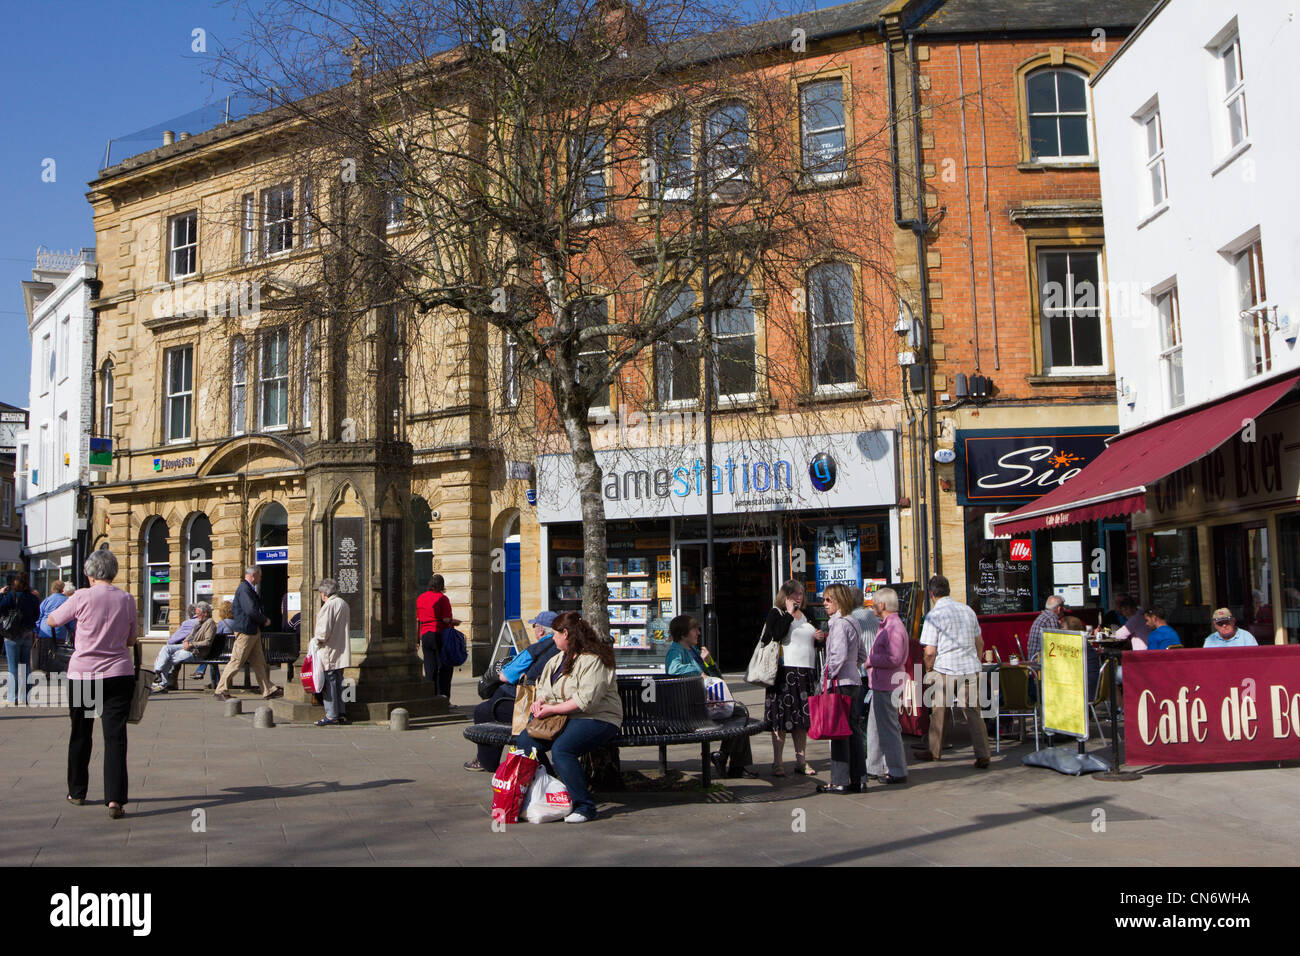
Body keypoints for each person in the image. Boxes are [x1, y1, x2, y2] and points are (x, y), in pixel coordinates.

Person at [45, 549, 137, 818]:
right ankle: (115, 800)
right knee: (115, 737)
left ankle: (77, 791)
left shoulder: (82, 596)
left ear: (90, 573)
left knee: (81, 733)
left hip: (85, 675)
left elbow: (54, 620)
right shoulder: (127, 599)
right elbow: (131, 640)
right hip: (119, 674)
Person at [513, 612, 622, 823]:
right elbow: (544, 687)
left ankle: (585, 806)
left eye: (555, 634)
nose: (552, 638)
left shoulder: (594, 660)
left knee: (563, 749)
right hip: (563, 717)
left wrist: (552, 710)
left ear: (566, 634)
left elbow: (585, 701)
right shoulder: (556, 660)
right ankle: (556, 790)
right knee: (526, 741)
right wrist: (540, 701)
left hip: (598, 718)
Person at [465, 611, 562, 772]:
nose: (534, 630)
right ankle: (486, 759)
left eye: (534, 626)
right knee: (490, 708)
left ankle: (486, 761)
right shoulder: (559, 649)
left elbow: (507, 676)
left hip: (533, 704)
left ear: (541, 631)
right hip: (548, 702)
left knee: (484, 711)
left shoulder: (540, 647)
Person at [666, 615, 757, 779]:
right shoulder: (676, 651)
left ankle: (727, 759)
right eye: (694, 629)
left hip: (704, 703)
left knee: (739, 715)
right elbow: (673, 669)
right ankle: (730, 762)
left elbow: (717, 679)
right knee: (739, 715)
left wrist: (708, 662)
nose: (698, 633)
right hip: (692, 709)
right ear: (683, 634)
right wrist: (698, 673)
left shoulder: (693, 650)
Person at [916, 574, 991, 768]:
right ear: (948, 590)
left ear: (932, 594)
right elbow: (979, 642)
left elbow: (930, 651)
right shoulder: (967, 611)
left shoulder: (934, 616)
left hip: (945, 669)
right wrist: (978, 662)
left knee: (939, 712)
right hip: (970, 667)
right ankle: (983, 754)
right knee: (973, 712)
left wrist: (928, 670)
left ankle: (935, 751)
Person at [763, 581, 819, 777]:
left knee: (802, 720)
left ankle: (801, 760)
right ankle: (777, 762)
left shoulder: (808, 615)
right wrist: (788, 613)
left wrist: (820, 638)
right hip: (784, 673)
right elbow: (775, 634)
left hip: (806, 672)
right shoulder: (776, 614)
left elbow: (812, 641)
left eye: (801, 594)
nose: (799, 598)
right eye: (795, 594)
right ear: (785, 596)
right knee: (782, 719)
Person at [816, 583, 867, 794]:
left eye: (829, 600)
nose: (824, 604)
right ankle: (859, 779)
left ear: (839, 601)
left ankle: (839, 780)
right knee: (854, 731)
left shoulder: (838, 624)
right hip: (854, 682)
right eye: (824, 599)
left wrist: (825, 679)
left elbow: (836, 656)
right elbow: (862, 655)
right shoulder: (853, 622)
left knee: (838, 733)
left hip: (840, 684)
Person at [214, 567, 283, 701]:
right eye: (260, 576)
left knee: (259, 663)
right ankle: (220, 689)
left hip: (252, 630)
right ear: (253, 575)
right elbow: (250, 609)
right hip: (245, 631)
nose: (260, 579)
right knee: (237, 661)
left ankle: (268, 690)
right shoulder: (244, 589)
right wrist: (264, 620)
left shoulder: (248, 588)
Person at [864, 587, 908, 784]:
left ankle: (897, 770)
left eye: (874, 602)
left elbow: (894, 657)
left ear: (881, 605)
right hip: (880, 683)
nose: (872, 605)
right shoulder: (887, 626)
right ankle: (873, 767)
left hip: (888, 685)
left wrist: (871, 659)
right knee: (874, 727)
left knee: (888, 728)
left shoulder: (894, 628)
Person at [311, 578, 352, 726]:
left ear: (324, 593)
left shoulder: (330, 605)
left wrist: (315, 640)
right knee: (338, 681)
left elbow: (323, 633)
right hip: (339, 649)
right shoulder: (343, 603)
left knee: (330, 684)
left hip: (329, 650)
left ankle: (331, 714)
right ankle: (341, 712)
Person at [416, 574, 461, 701]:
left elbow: (418, 620)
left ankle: (431, 697)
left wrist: (416, 639)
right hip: (440, 635)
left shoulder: (420, 598)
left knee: (430, 668)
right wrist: (455, 622)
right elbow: (445, 619)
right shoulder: (442, 599)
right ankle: (444, 698)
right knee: (445, 667)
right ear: (442, 585)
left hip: (425, 635)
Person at [1, 572, 43, 705]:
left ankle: (12, 697)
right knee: (26, 666)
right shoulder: (33, 598)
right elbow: (37, 616)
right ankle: (25, 697)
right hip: (27, 634)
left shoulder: (11, 596)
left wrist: (1, 593)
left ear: (16, 582)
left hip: (12, 635)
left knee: (13, 667)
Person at [151, 603, 212, 692]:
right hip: (188, 646)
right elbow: (190, 635)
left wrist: (191, 644)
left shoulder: (209, 623)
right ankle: (157, 671)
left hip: (195, 651)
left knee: (167, 658)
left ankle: (161, 682)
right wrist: (186, 642)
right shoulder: (199, 622)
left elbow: (208, 642)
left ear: (205, 613)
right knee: (165, 648)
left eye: (198, 614)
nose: (196, 616)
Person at [194, 600, 235, 686]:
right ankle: (203, 673)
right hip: (234, 652)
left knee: (211, 656)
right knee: (212, 655)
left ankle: (214, 681)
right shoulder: (237, 622)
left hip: (223, 652)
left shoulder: (222, 623)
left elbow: (215, 636)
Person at [1027, 595, 1064, 663]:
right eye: (1063, 607)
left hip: (1033, 660)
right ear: (1059, 609)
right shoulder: (1051, 619)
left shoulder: (1043, 616)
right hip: (1039, 663)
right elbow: (1056, 644)